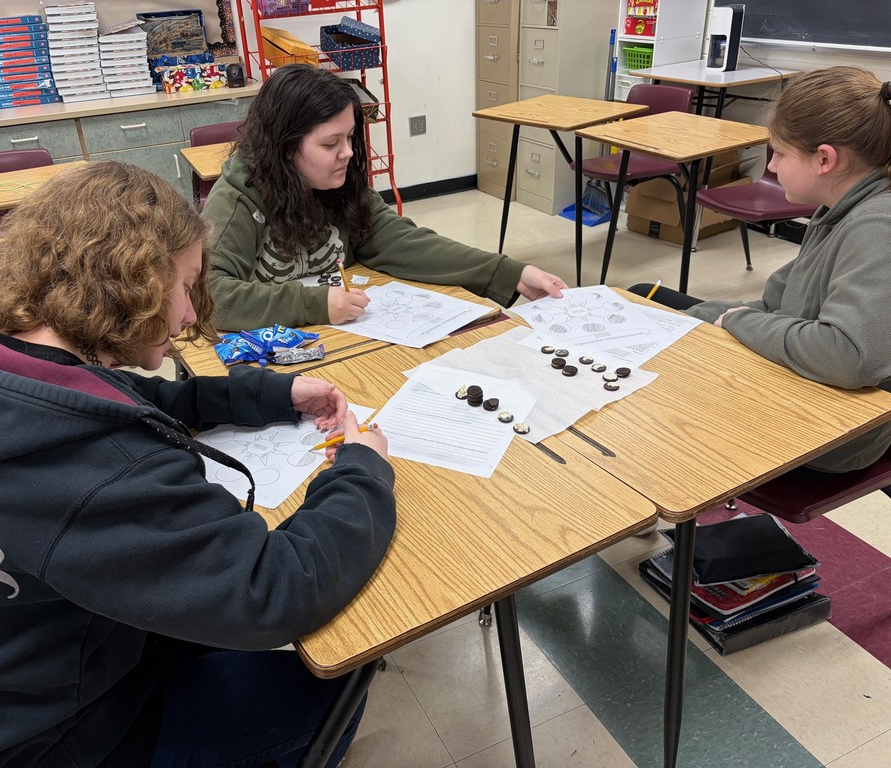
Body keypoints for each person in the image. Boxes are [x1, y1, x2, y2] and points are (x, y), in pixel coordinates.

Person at [0, 160, 396, 767]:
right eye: (184, 287)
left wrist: (272, 394)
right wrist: (361, 467)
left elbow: (127, 402)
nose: (192, 315)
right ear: (134, 283)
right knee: (331, 690)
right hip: (34, 745)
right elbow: (274, 588)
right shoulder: (91, 468)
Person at [631, 65, 891, 475]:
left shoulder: (877, 227)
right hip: (806, 382)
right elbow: (774, 301)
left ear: (824, 159)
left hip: (834, 434)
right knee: (646, 298)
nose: (770, 169)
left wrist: (737, 322)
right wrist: (681, 325)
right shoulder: (837, 208)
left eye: (779, 154)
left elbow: (850, 357)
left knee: (658, 394)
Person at [202, 63, 569, 332]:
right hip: (277, 352)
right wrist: (313, 304)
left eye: (349, 138)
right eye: (330, 143)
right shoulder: (237, 202)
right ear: (284, 147)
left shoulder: (339, 185)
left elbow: (406, 243)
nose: (346, 152)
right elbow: (211, 296)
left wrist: (512, 273)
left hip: (342, 337)